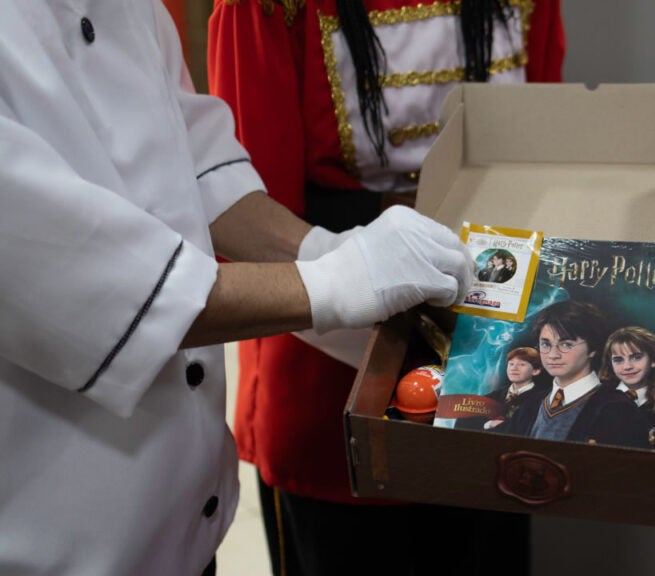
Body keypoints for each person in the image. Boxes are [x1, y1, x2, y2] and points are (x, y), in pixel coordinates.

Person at [0, 2, 474, 575]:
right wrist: (337, 280)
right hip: (57, 540)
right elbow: (98, 286)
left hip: (184, 526)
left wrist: (326, 248)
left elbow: (200, 167)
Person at [207, 1, 565, 574]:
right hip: (332, 380)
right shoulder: (266, 8)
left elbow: (545, 164)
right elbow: (245, 212)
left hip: (496, 370)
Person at [497, 300, 650, 449]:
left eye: (566, 344)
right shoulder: (530, 405)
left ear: (592, 349)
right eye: (546, 344)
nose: (553, 355)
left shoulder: (617, 409)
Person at [599, 326, 655, 450]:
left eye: (636, 357)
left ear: (654, 360)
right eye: (618, 360)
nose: (627, 366)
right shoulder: (598, 396)